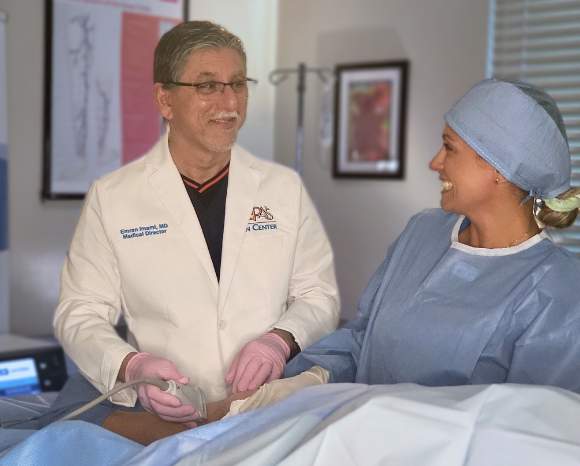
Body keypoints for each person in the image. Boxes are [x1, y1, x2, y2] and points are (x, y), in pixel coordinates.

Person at [53, 20, 339, 425]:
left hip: (265, 409)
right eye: (207, 86)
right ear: (165, 100)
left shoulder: (283, 189)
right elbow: (79, 312)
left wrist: (279, 341)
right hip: (168, 414)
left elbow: (318, 294)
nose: (229, 102)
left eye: (238, 83)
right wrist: (131, 367)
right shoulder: (114, 197)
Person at [282, 78, 580, 391]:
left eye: (449, 148)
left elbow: (530, 423)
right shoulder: (421, 234)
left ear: (499, 169)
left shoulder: (557, 291)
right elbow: (363, 337)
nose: (435, 162)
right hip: (357, 434)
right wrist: (313, 376)